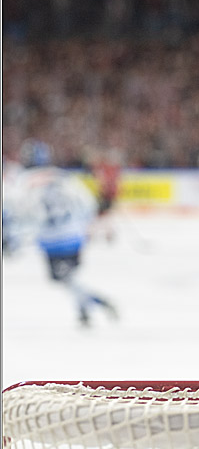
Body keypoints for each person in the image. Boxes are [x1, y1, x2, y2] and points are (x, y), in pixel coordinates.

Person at [5, 140, 118, 327]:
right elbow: (86, 203)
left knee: (64, 279)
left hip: (51, 240)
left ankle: (97, 303)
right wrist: (95, 219)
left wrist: (10, 238)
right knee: (68, 278)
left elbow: (17, 211)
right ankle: (84, 311)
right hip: (74, 237)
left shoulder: (24, 181)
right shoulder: (62, 176)